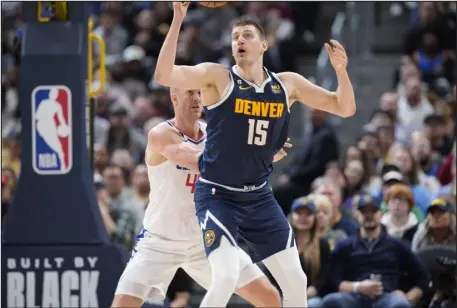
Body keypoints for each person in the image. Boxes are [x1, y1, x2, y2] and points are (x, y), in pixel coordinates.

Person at [154, 3, 356, 307]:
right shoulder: (218, 79)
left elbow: (344, 107)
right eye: (235, 37)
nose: (239, 42)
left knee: (296, 280)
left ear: (264, 44)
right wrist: (178, 18)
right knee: (224, 277)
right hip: (218, 195)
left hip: (259, 197)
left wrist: (341, 72)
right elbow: (163, 74)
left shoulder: (287, 85)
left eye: (247, 35)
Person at [112, 88, 285, 308]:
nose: (196, 99)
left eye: (199, 93)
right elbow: (199, 162)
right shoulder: (160, 134)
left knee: (269, 298)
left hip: (206, 239)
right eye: (189, 93)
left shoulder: (215, 132)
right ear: (174, 97)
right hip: (160, 240)